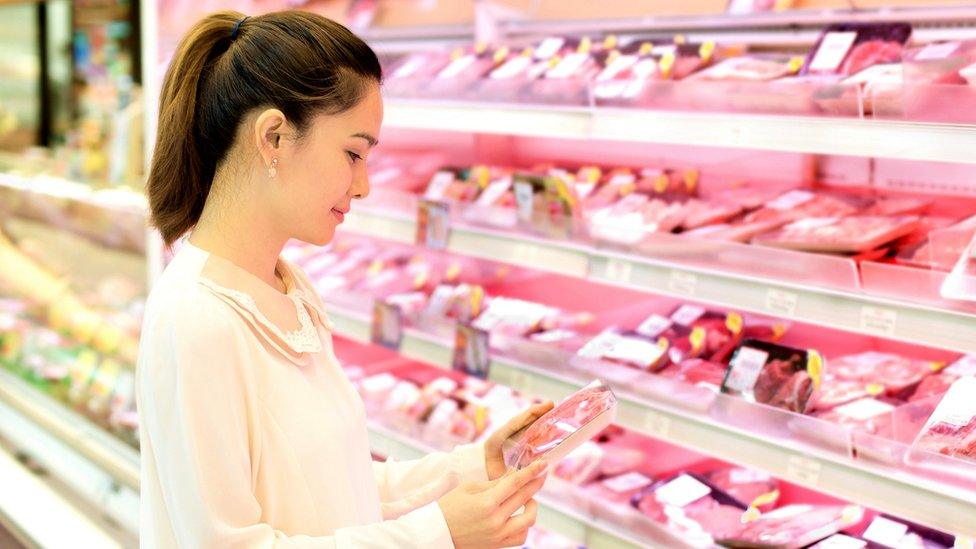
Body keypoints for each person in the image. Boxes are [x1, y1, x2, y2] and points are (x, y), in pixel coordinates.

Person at [137, 10, 553, 548]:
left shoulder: (290, 291)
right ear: (274, 138)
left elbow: (338, 484)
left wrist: (473, 467)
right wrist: (437, 536)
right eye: (353, 153)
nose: (363, 186)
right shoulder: (197, 319)